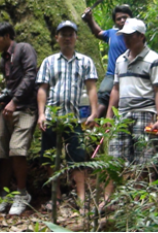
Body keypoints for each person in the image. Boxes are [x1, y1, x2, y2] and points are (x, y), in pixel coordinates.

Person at [36, 21, 99, 213]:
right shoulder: (49, 61)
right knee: (50, 157)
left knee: (77, 158)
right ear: (57, 38)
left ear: (76, 37)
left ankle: (81, 198)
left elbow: (91, 88)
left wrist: (95, 112)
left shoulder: (85, 61)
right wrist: (41, 114)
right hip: (52, 117)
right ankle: (55, 197)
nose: (67, 37)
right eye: (63, 34)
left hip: (75, 119)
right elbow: (42, 89)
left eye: (71, 34)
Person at [104, 18, 158, 206]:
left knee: (144, 160)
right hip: (122, 114)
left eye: (130, 36)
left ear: (141, 36)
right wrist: (109, 116)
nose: (126, 40)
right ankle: (109, 199)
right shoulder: (120, 60)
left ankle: (140, 201)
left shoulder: (154, 59)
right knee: (114, 159)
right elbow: (115, 88)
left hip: (145, 113)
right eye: (124, 36)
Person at [0, 22, 38, 216]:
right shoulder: (4, 61)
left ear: (7, 35)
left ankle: (22, 193)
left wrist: (15, 101)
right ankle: (6, 194)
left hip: (25, 109)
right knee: (4, 154)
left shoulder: (24, 49)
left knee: (17, 150)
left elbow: (30, 75)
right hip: (8, 110)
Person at [82, 5, 133, 118]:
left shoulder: (136, 36)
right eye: (118, 19)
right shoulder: (112, 33)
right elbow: (98, 32)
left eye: (125, 17)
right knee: (103, 96)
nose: (122, 20)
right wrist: (90, 19)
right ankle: (93, 123)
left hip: (130, 75)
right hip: (112, 74)